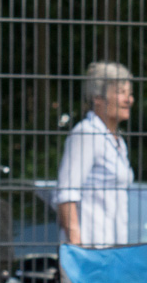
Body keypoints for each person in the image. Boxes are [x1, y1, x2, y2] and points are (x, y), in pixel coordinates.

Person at [55, 61, 134, 247]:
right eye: (121, 92)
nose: (128, 99)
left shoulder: (118, 142)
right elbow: (66, 193)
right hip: (91, 251)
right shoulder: (86, 133)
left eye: (130, 93)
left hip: (114, 250)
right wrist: (78, 247)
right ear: (97, 97)